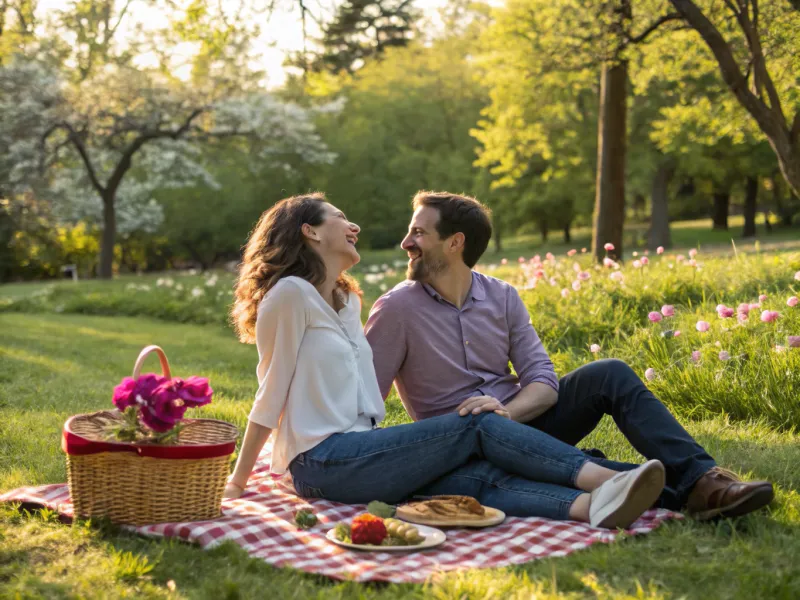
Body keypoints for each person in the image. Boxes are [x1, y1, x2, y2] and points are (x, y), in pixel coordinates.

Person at [221, 192, 667, 529]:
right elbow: (270, 391)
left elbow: (365, 398)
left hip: (360, 450)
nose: (353, 225)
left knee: (472, 478)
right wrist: (239, 484)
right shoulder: (289, 295)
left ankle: (602, 504)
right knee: (476, 421)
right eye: (340, 217)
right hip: (320, 459)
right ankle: (607, 480)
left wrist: (415, 447)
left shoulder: (345, 302)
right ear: (310, 231)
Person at [364, 191, 775, 520]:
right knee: (601, 472)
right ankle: (703, 496)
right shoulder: (396, 309)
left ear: (455, 243)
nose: (406, 243)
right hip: (465, 445)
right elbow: (365, 401)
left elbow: (543, 382)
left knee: (609, 373)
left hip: (522, 422)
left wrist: (504, 416)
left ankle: (705, 476)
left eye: (418, 233)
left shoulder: (502, 296)